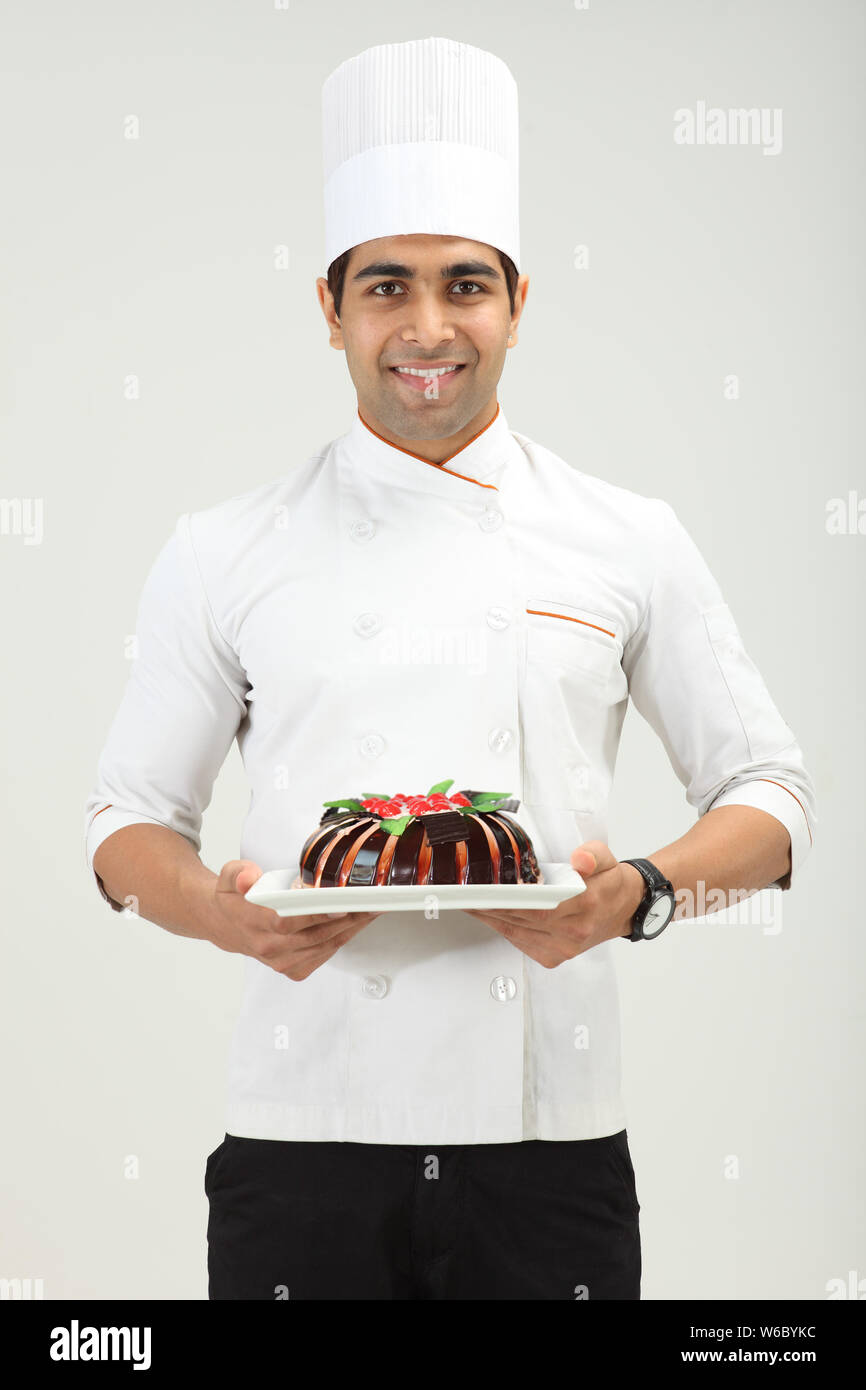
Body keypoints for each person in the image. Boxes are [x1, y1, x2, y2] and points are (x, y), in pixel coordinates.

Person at [84, 36, 816, 1301]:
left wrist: (636, 892)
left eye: (465, 285)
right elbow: (122, 825)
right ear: (329, 308)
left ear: (519, 301)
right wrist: (225, 914)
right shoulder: (223, 547)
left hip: (550, 1153)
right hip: (301, 1142)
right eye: (385, 286)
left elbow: (771, 797)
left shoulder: (625, 534)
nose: (428, 328)